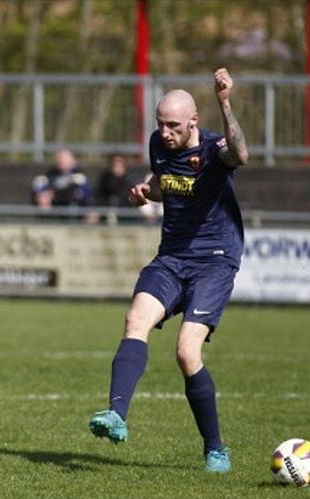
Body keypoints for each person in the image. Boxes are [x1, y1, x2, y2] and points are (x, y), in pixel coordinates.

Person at [88, 68, 249, 474]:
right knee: (135, 320)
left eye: (174, 125)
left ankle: (215, 448)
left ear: (194, 121)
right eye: (160, 124)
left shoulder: (212, 149)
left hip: (214, 260)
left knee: (186, 352)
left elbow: (240, 154)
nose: (165, 132)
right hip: (172, 257)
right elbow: (165, 183)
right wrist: (147, 192)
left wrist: (225, 103)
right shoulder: (158, 145)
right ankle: (116, 414)